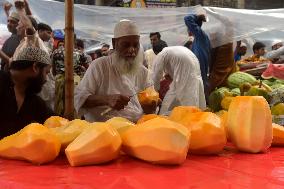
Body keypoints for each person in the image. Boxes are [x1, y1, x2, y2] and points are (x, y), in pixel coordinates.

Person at [74, 19, 157, 122]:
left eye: (135, 45)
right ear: (114, 43)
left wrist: (151, 106)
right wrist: (107, 99)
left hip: (136, 129)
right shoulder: (100, 66)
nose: (132, 50)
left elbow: (149, 105)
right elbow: (79, 98)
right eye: (126, 45)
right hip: (103, 130)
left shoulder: (143, 72)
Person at [0, 46, 54, 139]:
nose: (46, 79)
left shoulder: (35, 101)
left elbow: (56, 121)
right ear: (35, 67)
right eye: (46, 72)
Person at [152, 46, 206, 115]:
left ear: (156, 53)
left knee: (184, 103)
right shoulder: (173, 50)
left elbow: (156, 75)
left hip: (184, 76)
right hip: (193, 70)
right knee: (190, 98)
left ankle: (166, 118)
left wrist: (154, 94)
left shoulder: (161, 55)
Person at [184, 14, 211, 95]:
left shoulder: (200, 34)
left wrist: (198, 17)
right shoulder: (197, 39)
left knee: (202, 93)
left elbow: (187, 18)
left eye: (188, 27)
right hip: (199, 72)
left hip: (201, 72)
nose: (187, 29)